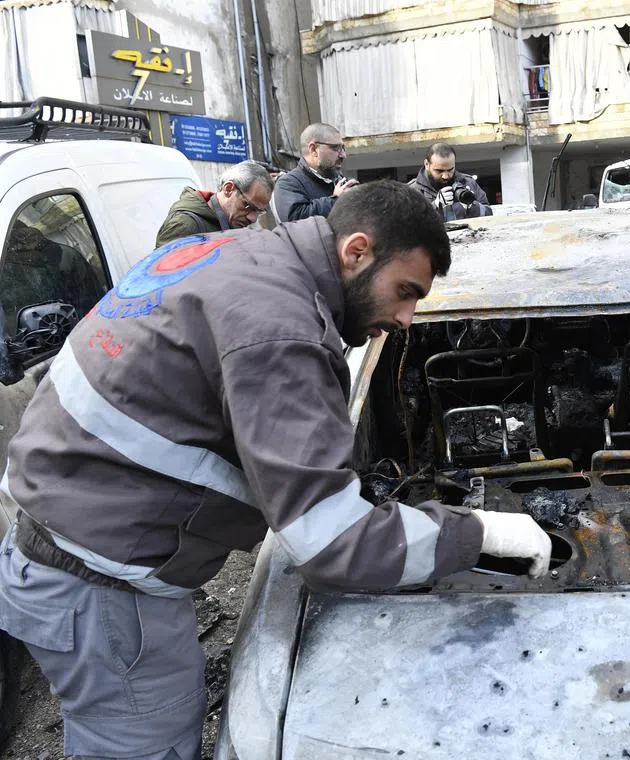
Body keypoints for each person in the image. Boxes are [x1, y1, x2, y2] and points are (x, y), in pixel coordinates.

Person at [0, 181, 551, 760]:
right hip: (101, 589)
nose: (407, 318)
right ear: (356, 252)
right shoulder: (280, 327)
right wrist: (480, 532)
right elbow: (334, 544)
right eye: (405, 291)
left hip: (54, 543)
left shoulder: (239, 255)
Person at [155, 160, 273, 247]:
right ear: (228, 189)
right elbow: (160, 277)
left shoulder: (231, 225)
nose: (252, 218)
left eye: (259, 211)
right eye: (248, 206)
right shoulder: (185, 224)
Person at [271, 122, 359, 223]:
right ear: (313, 150)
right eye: (336, 148)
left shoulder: (340, 182)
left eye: (343, 148)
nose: (343, 155)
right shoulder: (288, 183)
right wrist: (335, 201)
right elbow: (294, 221)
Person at [408, 143, 492, 221]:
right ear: (427, 164)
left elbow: (489, 215)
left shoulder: (468, 183)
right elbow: (408, 225)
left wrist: (472, 206)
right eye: (439, 171)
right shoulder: (411, 191)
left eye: (450, 170)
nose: (445, 176)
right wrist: (435, 205)